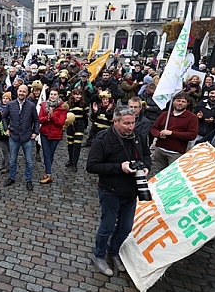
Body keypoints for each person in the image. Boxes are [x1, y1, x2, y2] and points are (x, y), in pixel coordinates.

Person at [87, 105, 151, 276]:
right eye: (126, 123)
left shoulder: (138, 136)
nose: (131, 127)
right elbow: (91, 166)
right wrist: (119, 167)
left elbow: (146, 155)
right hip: (110, 192)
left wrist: (145, 167)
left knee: (125, 228)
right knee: (107, 227)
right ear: (115, 122)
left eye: (133, 122)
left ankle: (113, 251)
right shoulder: (102, 139)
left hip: (131, 192)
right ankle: (99, 255)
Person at [2, 84, 40, 191]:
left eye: (24, 91)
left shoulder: (31, 106)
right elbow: (4, 117)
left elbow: (36, 120)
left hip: (27, 137)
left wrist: (35, 132)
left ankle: (28, 179)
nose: (21, 93)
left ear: (27, 93)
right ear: (17, 91)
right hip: (14, 136)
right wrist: (6, 129)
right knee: (12, 160)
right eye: (20, 91)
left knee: (29, 161)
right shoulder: (11, 104)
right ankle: (11, 177)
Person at [150, 92, 199, 170]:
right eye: (178, 100)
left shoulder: (192, 117)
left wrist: (171, 133)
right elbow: (154, 128)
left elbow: (192, 135)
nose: (180, 103)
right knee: (160, 173)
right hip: (160, 150)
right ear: (173, 101)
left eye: (183, 102)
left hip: (176, 153)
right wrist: (159, 134)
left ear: (187, 104)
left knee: (172, 176)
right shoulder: (165, 114)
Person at [38, 88, 68, 184]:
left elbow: (61, 122)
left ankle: (47, 172)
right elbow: (40, 119)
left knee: (50, 154)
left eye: (55, 94)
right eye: (51, 94)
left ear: (58, 95)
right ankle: (49, 174)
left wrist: (53, 116)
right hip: (44, 133)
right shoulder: (43, 105)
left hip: (55, 135)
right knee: (46, 154)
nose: (53, 96)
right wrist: (47, 118)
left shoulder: (63, 107)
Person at [65, 88, 89, 172]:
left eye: (79, 94)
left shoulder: (84, 104)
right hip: (70, 125)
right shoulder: (69, 104)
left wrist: (85, 126)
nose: (78, 96)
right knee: (70, 143)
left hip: (80, 124)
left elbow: (86, 116)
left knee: (77, 144)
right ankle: (70, 160)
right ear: (73, 95)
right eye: (76, 94)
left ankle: (75, 163)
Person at [0, 93, 11, 174]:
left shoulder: (12, 108)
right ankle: (5, 165)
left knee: (8, 150)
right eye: (3, 98)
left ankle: (7, 165)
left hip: (9, 132)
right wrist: (0, 116)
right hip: (0, 132)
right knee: (4, 150)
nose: (5, 100)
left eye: (7, 98)